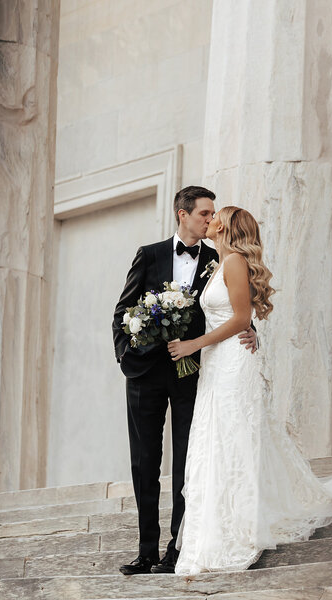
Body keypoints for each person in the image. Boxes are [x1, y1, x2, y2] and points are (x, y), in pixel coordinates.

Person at [167, 205, 332, 575]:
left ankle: (240, 528)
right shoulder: (219, 264)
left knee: (236, 439)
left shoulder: (236, 261)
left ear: (227, 227)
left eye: (216, 217)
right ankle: (212, 532)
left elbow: (242, 318)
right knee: (217, 441)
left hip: (232, 364)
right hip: (216, 366)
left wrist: (194, 344)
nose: (208, 221)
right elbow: (231, 316)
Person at [112, 188, 257, 575]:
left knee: (188, 463)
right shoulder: (150, 253)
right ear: (183, 214)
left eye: (213, 215)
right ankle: (146, 552)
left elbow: (233, 305)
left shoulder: (217, 257)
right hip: (144, 373)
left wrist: (252, 329)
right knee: (145, 462)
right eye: (204, 214)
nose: (210, 220)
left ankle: (178, 548)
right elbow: (123, 310)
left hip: (193, 374)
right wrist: (125, 357)